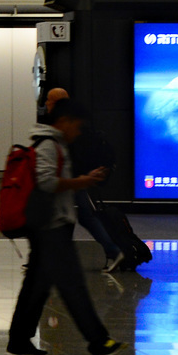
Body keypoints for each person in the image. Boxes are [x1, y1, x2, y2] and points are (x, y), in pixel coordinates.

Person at [5, 99, 123, 355]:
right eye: (77, 126)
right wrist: (81, 181)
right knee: (73, 287)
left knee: (36, 287)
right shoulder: (49, 144)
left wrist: (82, 180)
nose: (78, 132)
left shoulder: (50, 143)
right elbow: (46, 181)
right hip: (52, 227)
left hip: (47, 226)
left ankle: (19, 341)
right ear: (65, 121)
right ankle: (99, 341)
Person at [43, 87, 126, 271]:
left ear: (56, 103)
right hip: (77, 179)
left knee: (67, 217)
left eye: (49, 100)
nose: (46, 103)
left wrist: (80, 180)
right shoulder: (71, 122)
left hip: (73, 180)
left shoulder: (65, 124)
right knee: (77, 216)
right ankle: (111, 251)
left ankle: (112, 251)